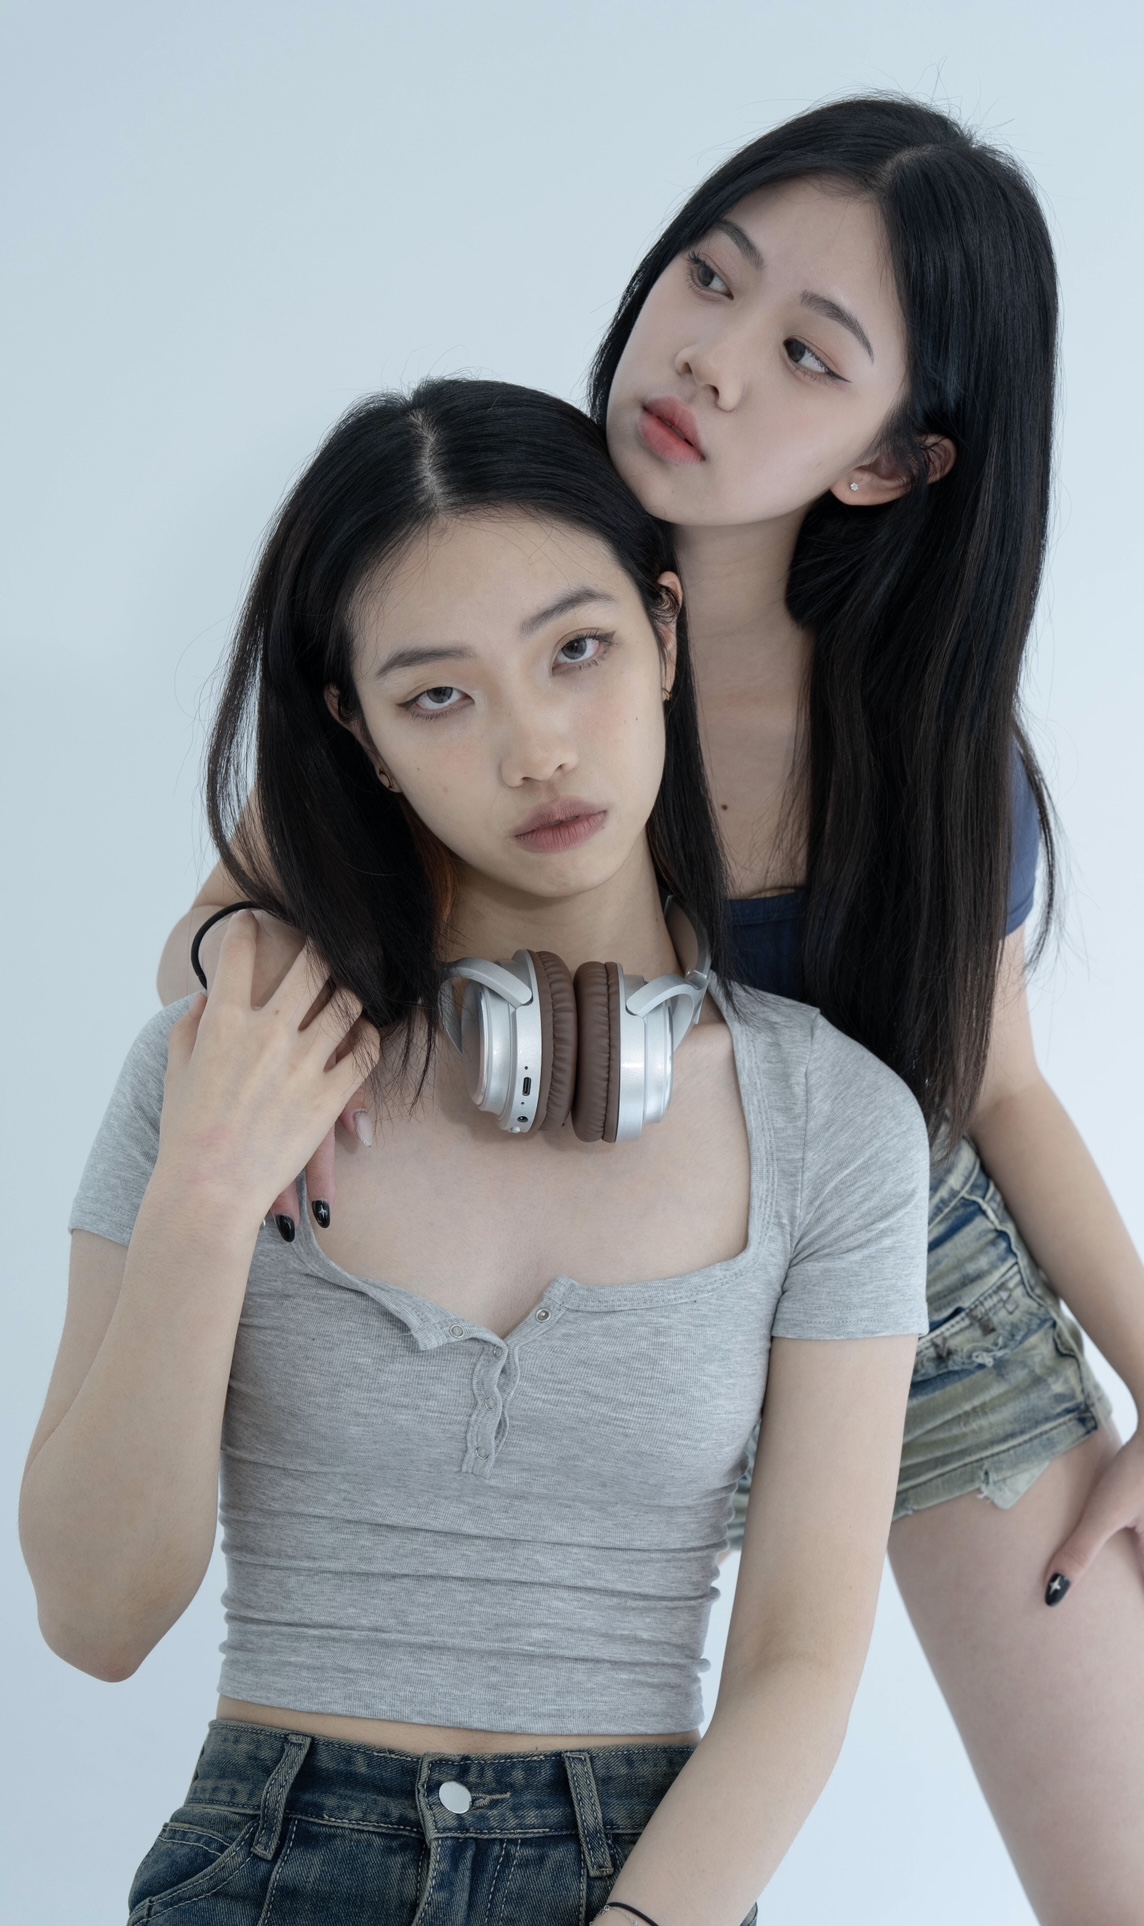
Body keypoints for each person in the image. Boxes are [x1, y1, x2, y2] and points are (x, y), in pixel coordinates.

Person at [158, 97, 1144, 1922]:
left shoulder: (913, 746)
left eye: (807, 353)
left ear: (889, 463)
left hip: (896, 1291)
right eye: (709, 278)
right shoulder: (484, 589)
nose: (710, 361)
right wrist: (285, 1058)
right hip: (572, 1298)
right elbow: (216, 941)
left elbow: (996, 1092)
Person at [21, 378, 930, 1926]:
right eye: (438, 695)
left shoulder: (830, 1121)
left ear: (662, 633)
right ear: (360, 734)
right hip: (266, 1866)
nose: (535, 749)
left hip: (643, 1880)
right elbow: (95, 1619)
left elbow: (797, 1657)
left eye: (574, 650)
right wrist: (208, 1189)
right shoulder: (217, 1074)